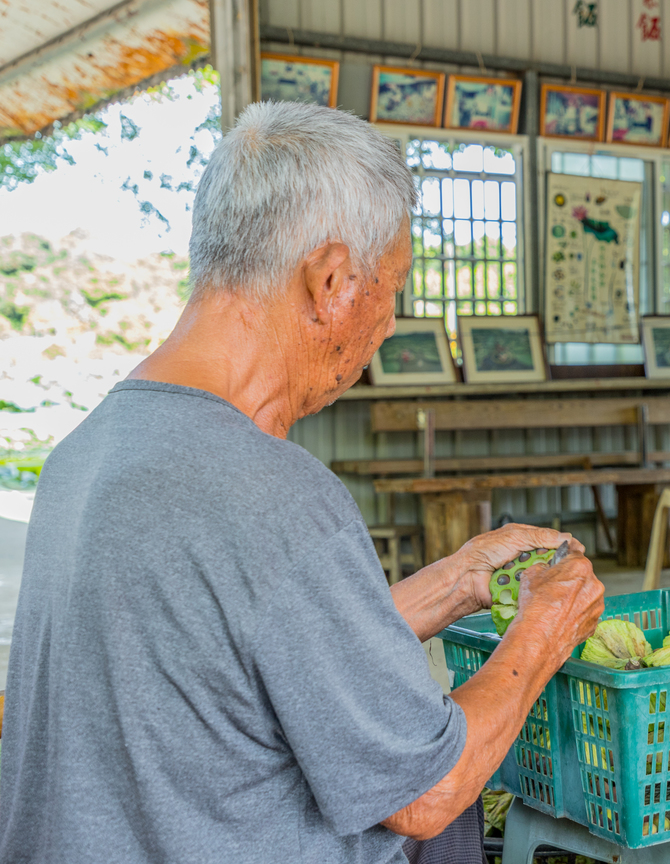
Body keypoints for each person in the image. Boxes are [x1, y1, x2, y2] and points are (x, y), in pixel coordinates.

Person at [0, 101, 604, 864]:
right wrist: (543, 628)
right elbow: (425, 792)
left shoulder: (89, 452)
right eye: (391, 287)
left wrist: (452, 584)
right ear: (331, 282)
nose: (387, 324)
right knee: (454, 801)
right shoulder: (274, 495)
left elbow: (242, 659)